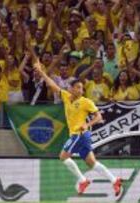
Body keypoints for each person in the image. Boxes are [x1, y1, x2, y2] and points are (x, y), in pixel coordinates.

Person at [33, 60, 122, 196]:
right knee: (92, 163)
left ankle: (82, 180)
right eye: (78, 87)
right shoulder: (67, 97)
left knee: (63, 156)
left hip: (79, 134)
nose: (80, 90)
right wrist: (41, 72)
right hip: (80, 136)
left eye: (82, 88)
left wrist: (87, 124)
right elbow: (52, 84)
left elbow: (98, 117)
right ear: (71, 88)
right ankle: (114, 180)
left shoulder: (86, 102)